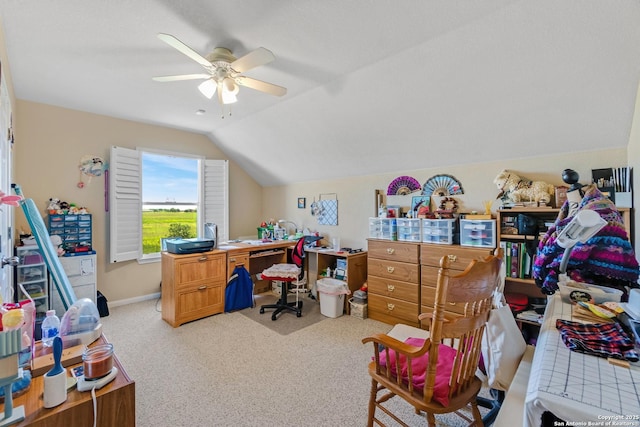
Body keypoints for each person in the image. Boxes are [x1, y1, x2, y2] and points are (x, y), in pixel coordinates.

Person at [532, 170, 639, 298]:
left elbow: (603, 245)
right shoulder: (566, 210)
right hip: (563, 287)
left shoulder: (603, 210)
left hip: (595, 289)